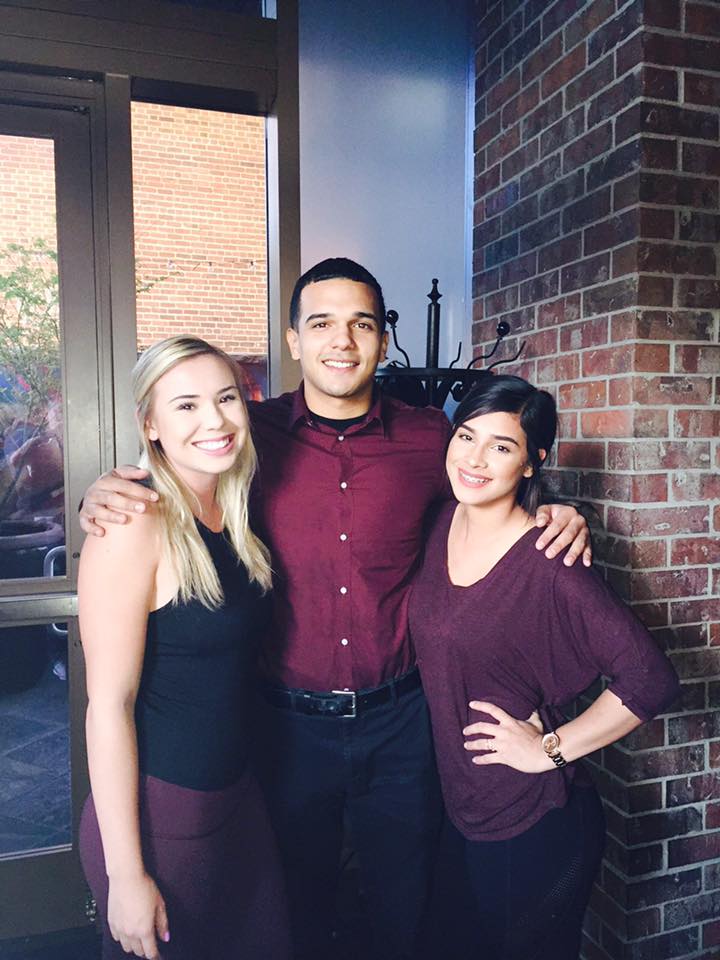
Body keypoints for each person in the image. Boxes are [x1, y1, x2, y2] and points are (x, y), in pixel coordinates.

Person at [79, 259, 591, 960]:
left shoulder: (430, 439)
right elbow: (173, 464)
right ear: (294, 339)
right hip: (281, 728)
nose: (342, 341)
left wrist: (553, 510)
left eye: (361, 324)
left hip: (402, 723)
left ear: (382, 339)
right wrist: (104, 490)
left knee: (406, 908)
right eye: (321, 323)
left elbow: (491, 489)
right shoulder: (246, 435)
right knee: (293, 913)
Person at [409, 375, 680, 960]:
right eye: (466, 436)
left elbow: (650, 679)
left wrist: (547, 750)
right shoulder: (439, 522)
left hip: (533, 822)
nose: (474, 459)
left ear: (532, 462)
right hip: (462, 809)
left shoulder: (550, 559)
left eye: (501, 446)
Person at [77, 336, 290, 960]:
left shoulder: (231, 510)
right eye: (187, 405)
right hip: (165, 819)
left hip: (238, 796)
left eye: (226, 398)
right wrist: (126, 875)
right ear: (150, 424)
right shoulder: (132, 522)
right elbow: (107, 707)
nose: (214, 421)